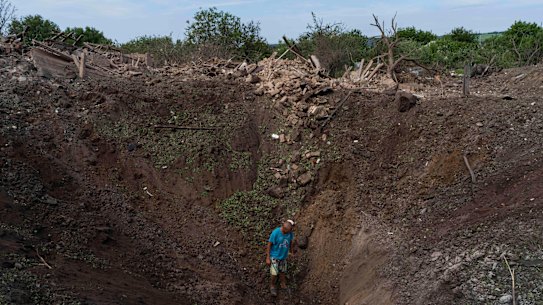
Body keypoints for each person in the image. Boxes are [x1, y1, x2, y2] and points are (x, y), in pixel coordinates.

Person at [266, 219, 296, 296]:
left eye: (290, 231)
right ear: (284, 228)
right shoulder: (275, 233)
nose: (289, 232)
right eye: (288, 231)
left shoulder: (289, 233)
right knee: (274, 273)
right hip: (275, 256)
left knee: (283, 271)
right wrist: (268, 258)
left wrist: (291, 252)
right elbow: (269, 245)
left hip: (283, 256)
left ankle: (283, 284)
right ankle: (272, 286)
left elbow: (291, 241)